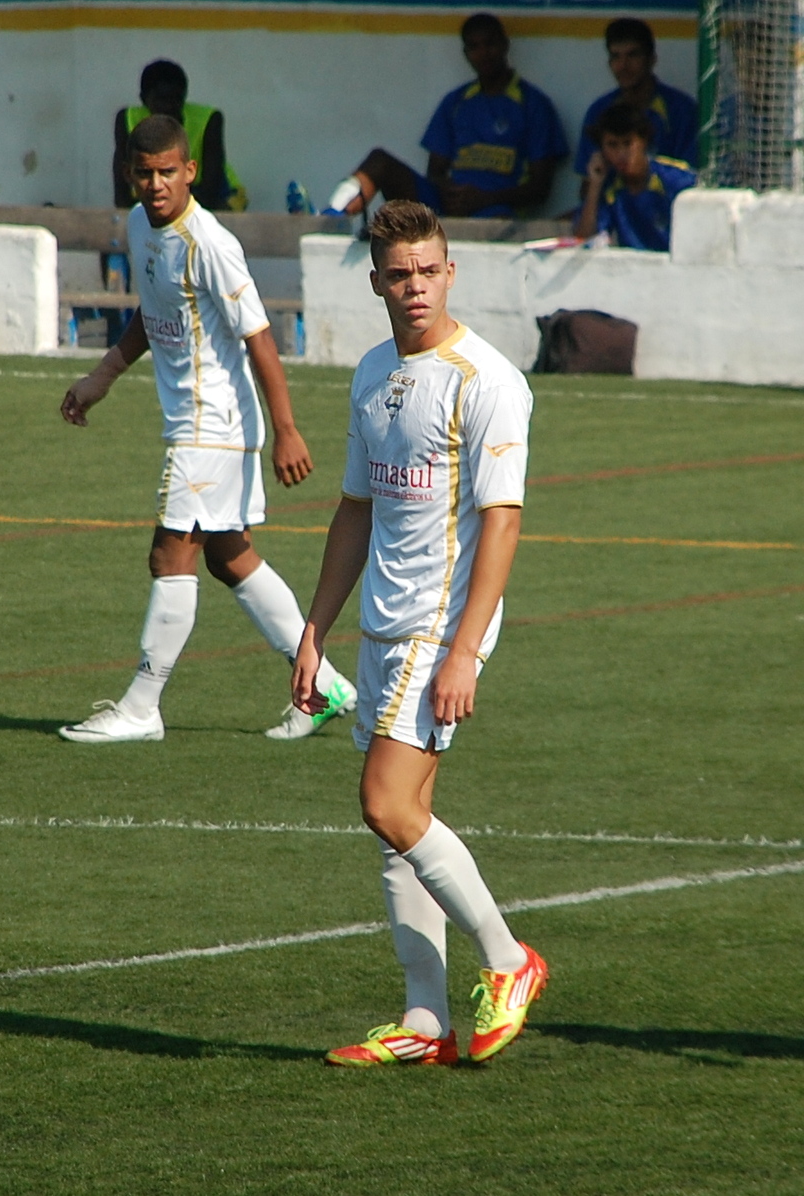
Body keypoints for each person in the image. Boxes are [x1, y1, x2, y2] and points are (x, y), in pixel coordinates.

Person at [290, 200, 547, 1067]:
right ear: (376, 282)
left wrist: (464, 652)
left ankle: (509, 961)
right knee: (401, 824)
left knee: (386, 803)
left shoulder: (486, 381)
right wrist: (314, 630)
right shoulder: (373, 372)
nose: (415, 288)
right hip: (382, 624)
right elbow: (355, 510)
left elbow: (502, 522)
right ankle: (425, 1022)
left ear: (450, 273)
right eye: (399, 275)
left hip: (440, 629)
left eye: (429, 272)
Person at [57, 115, 355, 745]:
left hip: (211, 424)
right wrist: (102, 377)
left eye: (168, 172)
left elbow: (260, 338)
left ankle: (142, 706)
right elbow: (153, 312)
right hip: (196, 425)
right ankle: (323, 685)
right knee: (228, 555)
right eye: (145, 173)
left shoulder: (212, 244)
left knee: (170, 554)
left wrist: (288, 429)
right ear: (130, 174)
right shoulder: (141, 226)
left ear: (190, 171)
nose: (156, 184)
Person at [325, 14, 567, 220]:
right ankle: (331, 218)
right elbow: (435, 172)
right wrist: (450, 191)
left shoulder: (533, 104)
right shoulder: (456, 102)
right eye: (474, 47)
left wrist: (484, 199)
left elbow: (540, 189)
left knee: (500, 222)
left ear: (505, 45)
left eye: (490, 44)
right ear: (466, 53)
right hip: (447, 205)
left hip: (496, 209)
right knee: (379, 162)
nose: (483, 53)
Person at [573, 17, 698, 199]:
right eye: (616, 57)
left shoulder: (681, 110)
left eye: (632, 55)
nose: (623, 66)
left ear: (652, 59)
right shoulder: (599, 111)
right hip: (612, 210)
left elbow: (692, 182)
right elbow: (587, 188)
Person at [113, 59, 247, 212]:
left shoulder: (208, 119)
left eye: (176, 99)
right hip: (159, 190)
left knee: (218, 216)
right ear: (144, 99)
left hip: (209, 190)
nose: (169, 107)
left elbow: (211, 188)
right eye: (161, 100)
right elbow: (121, 184)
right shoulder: (128, 119)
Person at [575, 103, 696, 251]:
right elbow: (584, 238)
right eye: (612, 145)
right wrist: (595, 184)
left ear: (643, 141)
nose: (621, 154)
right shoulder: (608, 186)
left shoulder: (677, 179)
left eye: (627, 143)